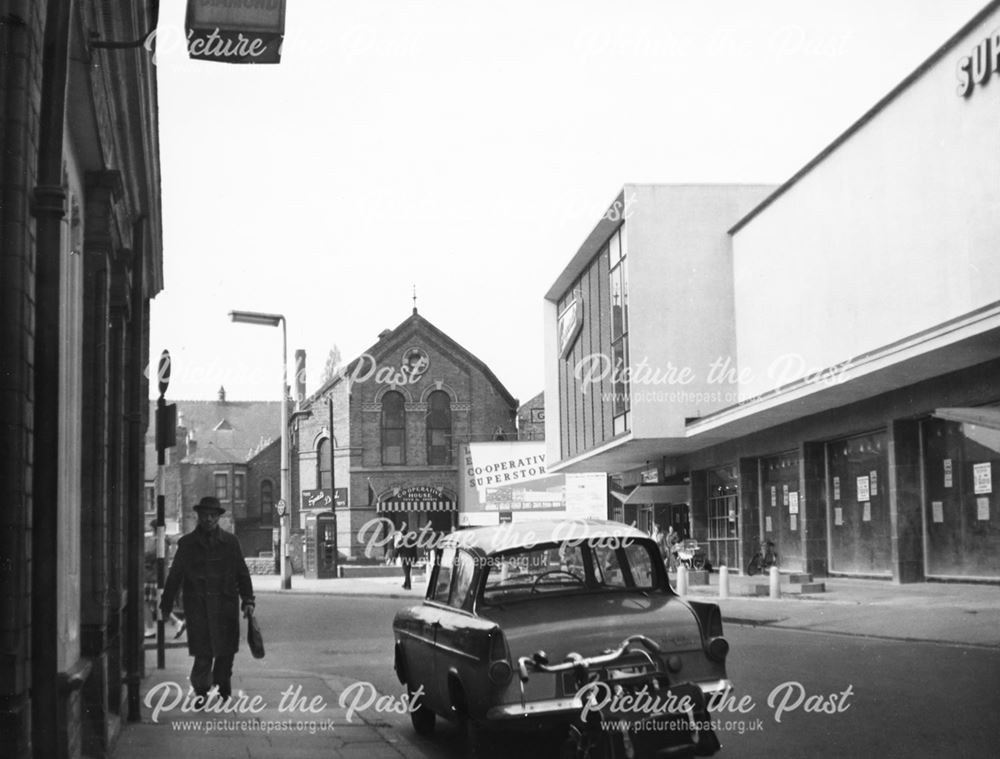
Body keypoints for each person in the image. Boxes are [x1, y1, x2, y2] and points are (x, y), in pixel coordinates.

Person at [160, 496, 255, 705]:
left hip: (225, 608)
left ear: (218, 517)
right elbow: (175, 576)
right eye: (205, 515)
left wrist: (248, 601)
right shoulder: (187, 544)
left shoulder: (231, 542)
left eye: (213, 515)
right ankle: (201, 692)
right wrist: (165, 606)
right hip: (199, 609)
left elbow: (242, 573)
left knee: (225, 654)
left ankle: (223, 689)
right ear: (199, 516)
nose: (209, 519)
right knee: (203, 654)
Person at [395, 522, 418, 590]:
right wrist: (416, 558)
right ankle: (405, 584)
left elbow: (397, 550)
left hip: (404, 558)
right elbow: (414, 550)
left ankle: (408, 586)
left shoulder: (400, 542)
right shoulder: (412, 541)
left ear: (402, 535)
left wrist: (395, 557)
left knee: (406, 572)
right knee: (408, 571)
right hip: (411, 558)